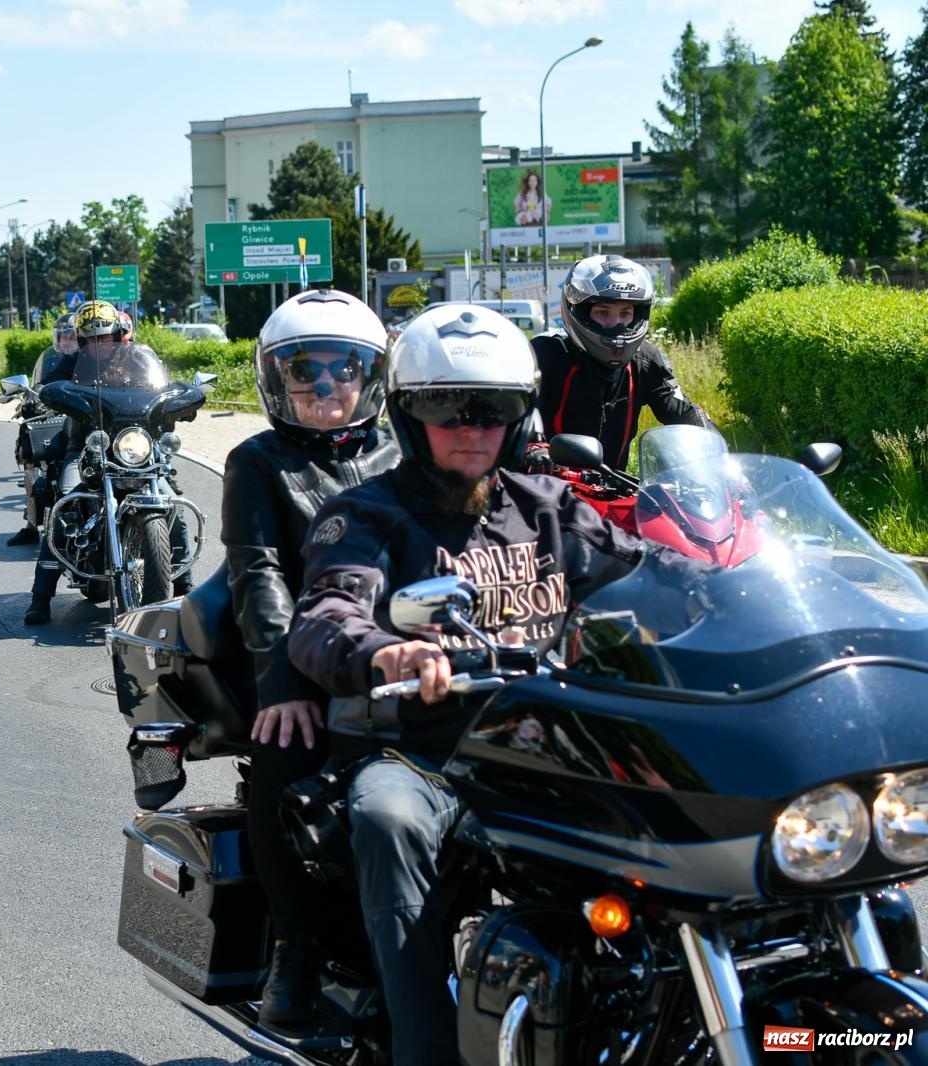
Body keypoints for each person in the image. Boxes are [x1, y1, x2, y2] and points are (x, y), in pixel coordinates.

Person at [288, 303, 647, 1063]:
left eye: (492, 409)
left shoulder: (548, 508)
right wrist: (390, 653)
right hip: (421, 752)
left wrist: (739, 579)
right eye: (444, 407)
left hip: (550, 742)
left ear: (520, 417)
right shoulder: (366, 514)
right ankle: (423, 1043)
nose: (470, 427)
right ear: (409, 416)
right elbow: (324, 615)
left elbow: (654, 578)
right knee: (388, 819)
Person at [224, 289, 401, 1027]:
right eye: (305, 371)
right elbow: (257, 571)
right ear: (277, 380)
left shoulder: (402, 448)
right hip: (302, 648)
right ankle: (294, 951)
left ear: (371, 377)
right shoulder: (257, 461)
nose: (327, 388)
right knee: (283, 764)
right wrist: (284, 682)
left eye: (344, 370)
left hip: (402, 647)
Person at [23, 300, 173, 623]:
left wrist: (173, 401)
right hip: (85, 448)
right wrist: (55, 392)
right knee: (64, 502)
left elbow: (160, 387)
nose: (98, 345)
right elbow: (51, 387)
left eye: (103, 337)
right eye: (90, 339)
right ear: (80, 341)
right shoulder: (70, 363)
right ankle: (40, 597)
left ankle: (185, 582)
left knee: (169, 495)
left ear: (117, 335)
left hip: (132, 446)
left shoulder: (136, 360)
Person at [529, 255, 712, 473]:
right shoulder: (545, 356)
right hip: (545, 491)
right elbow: (514, 417)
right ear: (578, 310)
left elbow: (683, 412)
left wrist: (719, 455)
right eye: (603, 312)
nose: (616, 324)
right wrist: (534, 450)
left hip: (614, 494)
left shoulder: (645, 361)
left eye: (625, 313)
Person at [7, 314, 79, 547]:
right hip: (57, 415)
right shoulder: (52, 359)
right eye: (63, 336)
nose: (67, 340)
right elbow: (42, 382)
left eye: (71, 335)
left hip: (83, 419)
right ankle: (31, 525)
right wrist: (31, 398)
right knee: (32, 455)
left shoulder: (90, 358)